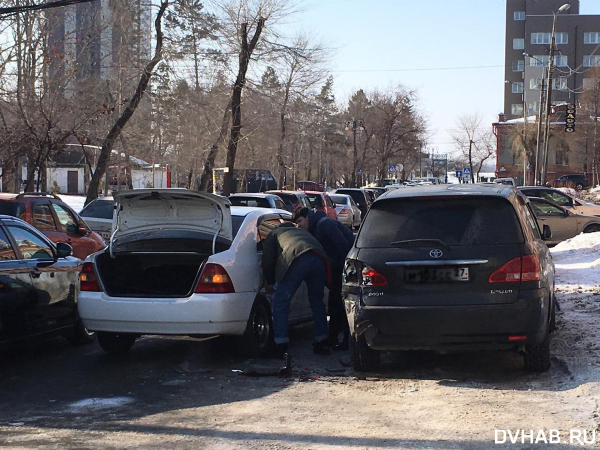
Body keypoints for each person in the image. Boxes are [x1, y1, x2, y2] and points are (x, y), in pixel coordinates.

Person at [261, 221, 331, 356]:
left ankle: (280, 344)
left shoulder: (274, 233)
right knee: (317, 302)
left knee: (281, 301)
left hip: (297, 258)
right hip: (318, 258)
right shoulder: (303, 232)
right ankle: (322, 341)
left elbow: (267, 259)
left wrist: (269, 281)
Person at [293, 207, 355, 350]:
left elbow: (343, 246)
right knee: (335, 303)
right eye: (296, 223)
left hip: (345, 268)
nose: (299, 225)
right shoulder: (316, 228)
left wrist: (342, 270)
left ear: (307, 217)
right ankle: (334, 338)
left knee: (342, 304)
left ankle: (346, 339)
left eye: (300, 221)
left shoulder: (324, 224)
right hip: (339, 268)